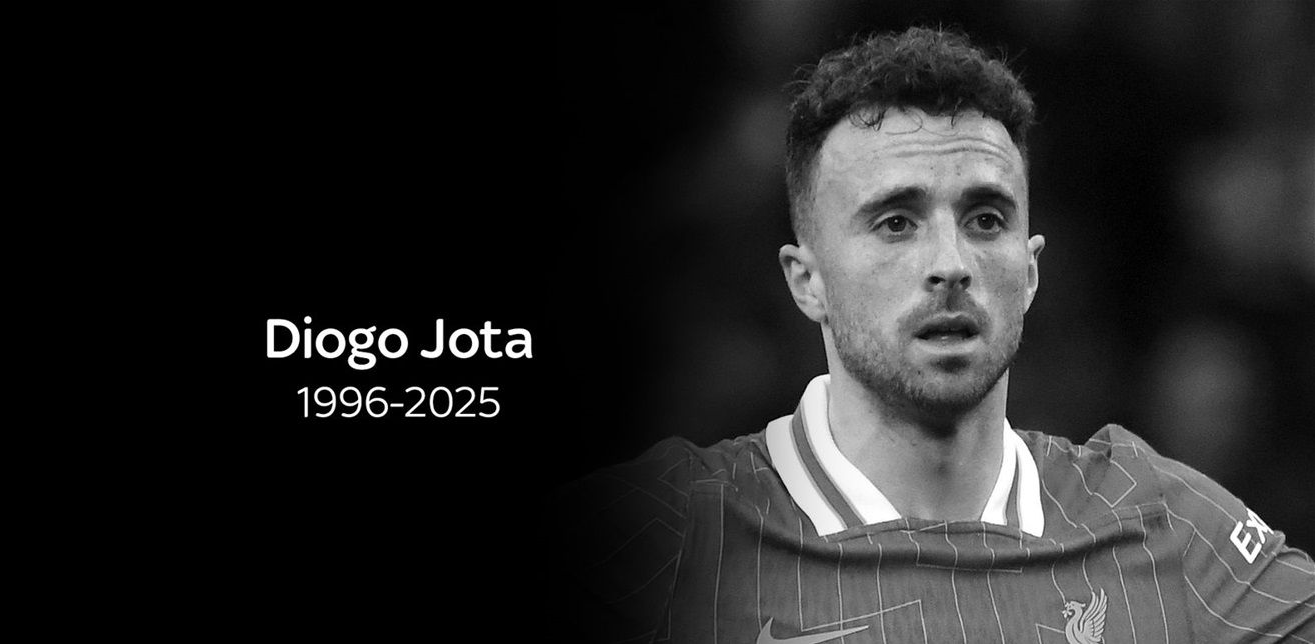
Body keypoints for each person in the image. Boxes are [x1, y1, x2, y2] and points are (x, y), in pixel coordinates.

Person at [548, 27, 1314, 643]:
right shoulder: (668, 536)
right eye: (895, 222)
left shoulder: (1167, 532)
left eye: (985, 219)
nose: (950, 264)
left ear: (1031, 270)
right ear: (806, 280)